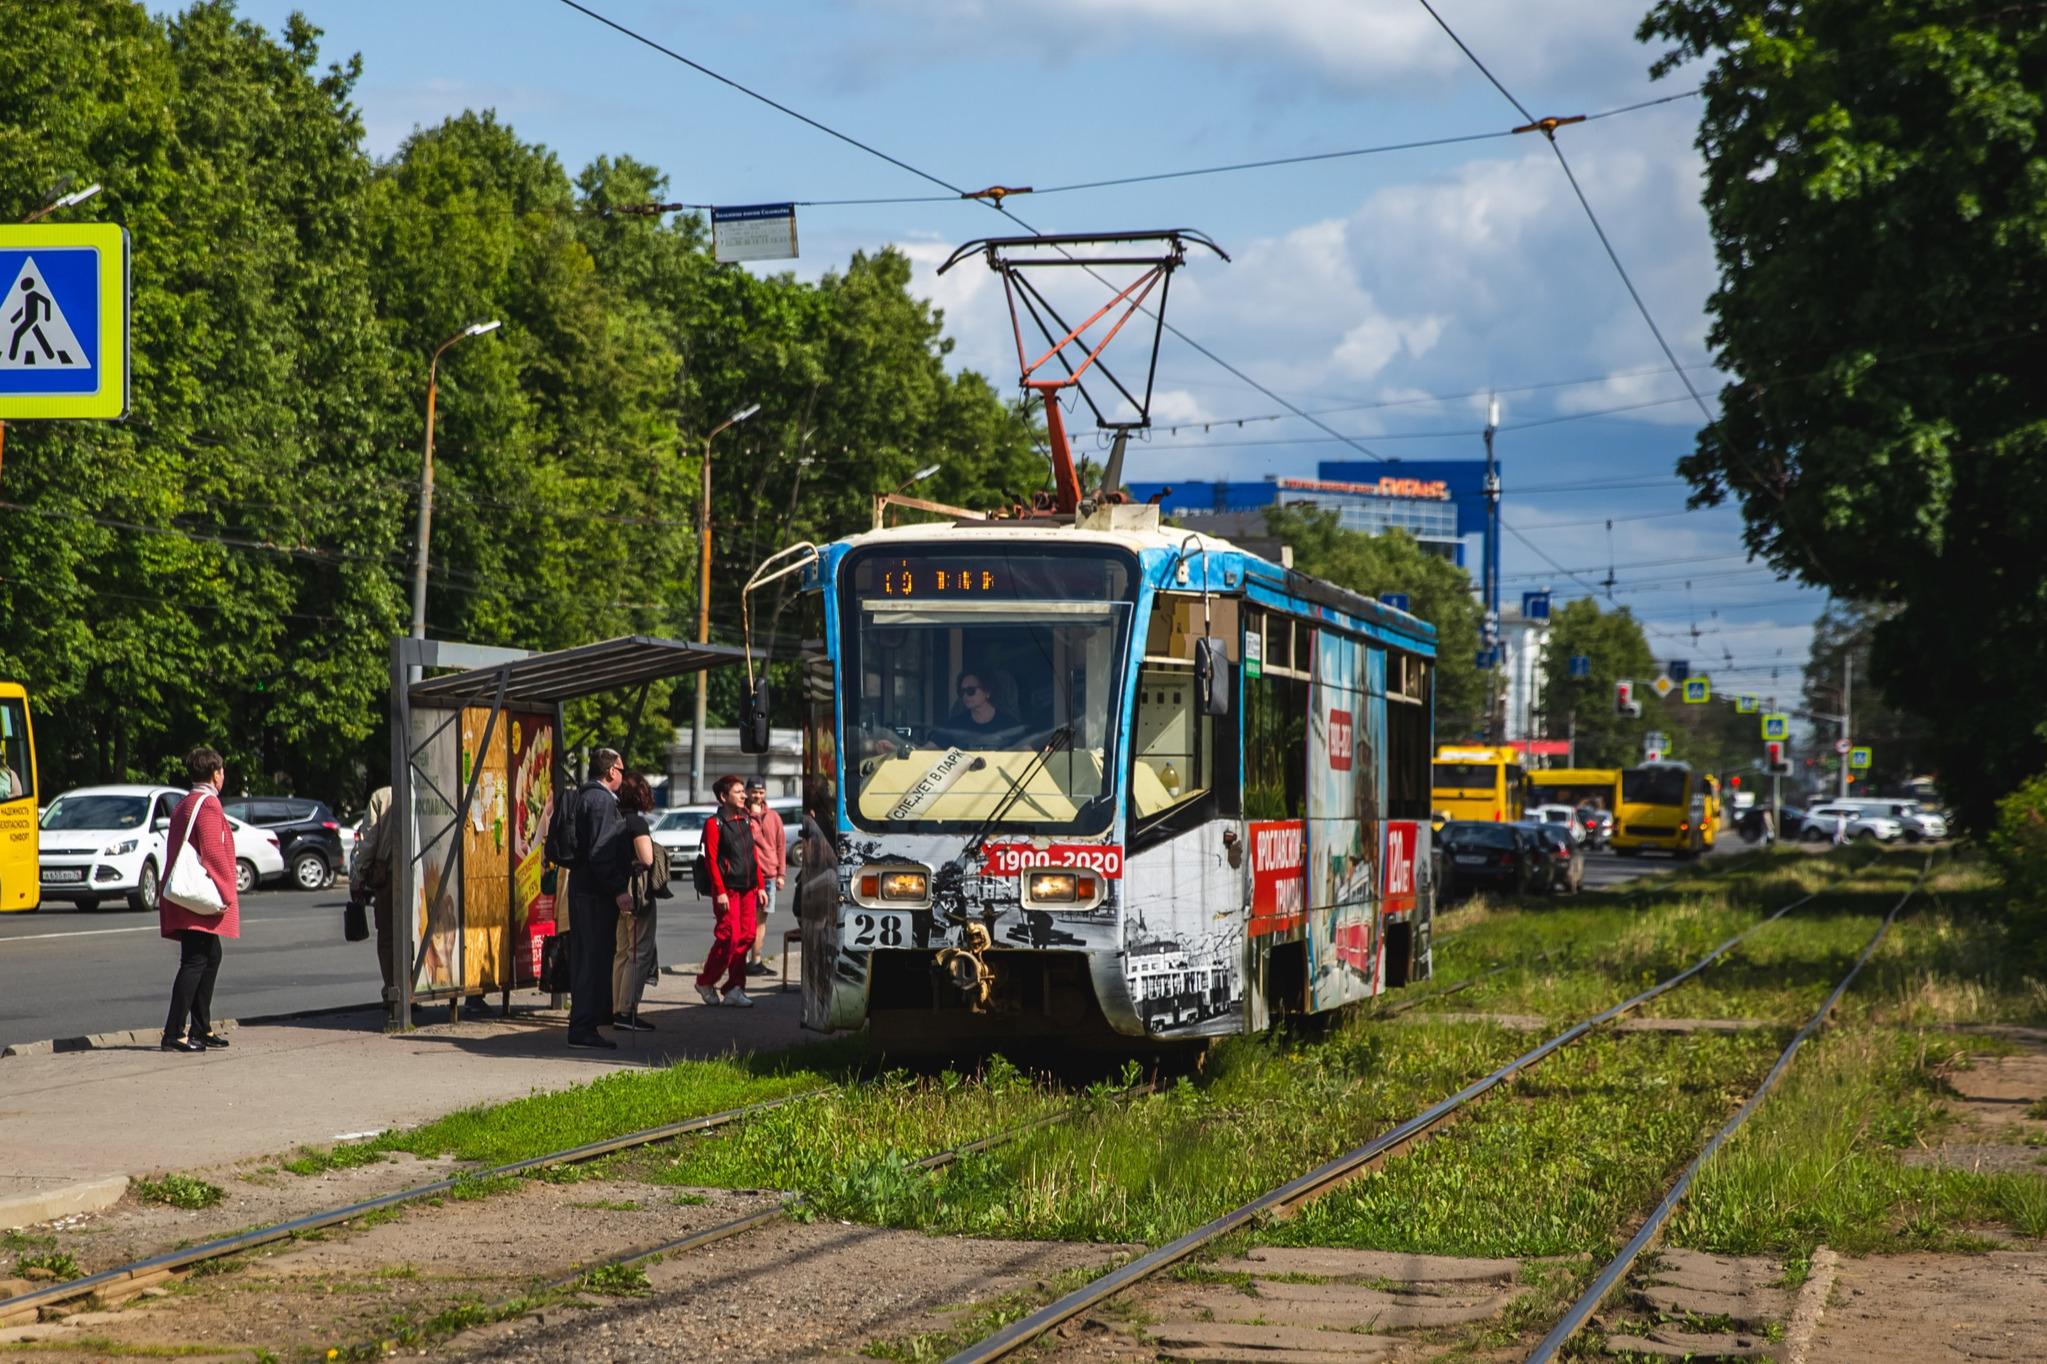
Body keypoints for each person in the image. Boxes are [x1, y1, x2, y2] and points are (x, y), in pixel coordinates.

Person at [159, 746, 238, 1054]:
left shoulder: (185, 803)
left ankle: (201, 1028)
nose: (223, 776)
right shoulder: (208, 806)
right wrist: (226, 890)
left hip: (184, 896)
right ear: (215, 774)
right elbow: (213, 853)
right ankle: (174, 1032)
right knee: (194, 961)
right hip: (198, 897)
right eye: (222, 771)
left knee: (210, 955)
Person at [564, 748, 634, 1050]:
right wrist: (620, 888)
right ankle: (583, 1028)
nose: (623, 773)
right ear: (611, 772)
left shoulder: (583, 795)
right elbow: (601, 851)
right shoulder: (602, 801)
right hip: (595, 895)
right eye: (621, 768)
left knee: (586, 959)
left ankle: (584, 1025)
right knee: (593, 961)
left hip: (582, 890)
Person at [696, 774, 761, 1008]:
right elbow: (711, 861)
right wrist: (720, 890)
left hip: (748, 889)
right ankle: (705, 981)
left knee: (748, 936)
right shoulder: (714, 824)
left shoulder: (744, 820)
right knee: (729, 937)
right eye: (738, 791)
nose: (744, 795)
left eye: (743, 791)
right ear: (724, 797)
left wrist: (760, 885)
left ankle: (735, 987)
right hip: (728, 890)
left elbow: (753, 856)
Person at [611, 772, 659, 1031]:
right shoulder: (636, 824)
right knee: (638, 951)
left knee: (621, 951)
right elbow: (647, 859)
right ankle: (627, 1010)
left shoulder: (613, 818)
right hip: (635, 888)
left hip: (615, 886)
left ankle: (615, 1006)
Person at [351, 785, 397, 996]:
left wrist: (358, 877)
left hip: (388, 875)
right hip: (422, 876)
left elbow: (368, 841)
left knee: (388, 936)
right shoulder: (423, 788)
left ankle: (393, 989)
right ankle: (413, 987)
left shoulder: (382, 796)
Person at [744, 779, 786, 979]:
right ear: (747, 792)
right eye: (754, 792)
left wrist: (781, 874)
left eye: (761, 792)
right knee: (745, 920)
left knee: (761, 921)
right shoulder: (742, 816)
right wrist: (751, 814)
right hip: (747, 876)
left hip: (769, 875)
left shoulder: (774, 817)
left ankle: (756, 961)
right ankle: (740, 961)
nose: (757, 796)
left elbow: (781, 845)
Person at [934, 670, 1023, 745]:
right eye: (962, 692)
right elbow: (929, 749)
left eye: (970, 691)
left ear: (987, 691)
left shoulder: (1009, 725)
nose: (965, 696)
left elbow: (1027, 755)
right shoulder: (953, 726)